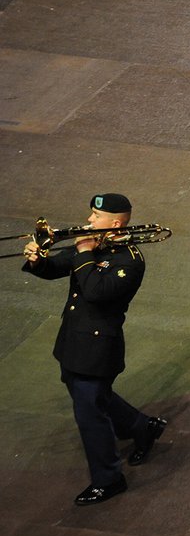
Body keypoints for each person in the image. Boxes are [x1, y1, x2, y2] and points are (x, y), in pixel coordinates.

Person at [22, 194, 167, 505]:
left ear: (114, 223)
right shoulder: (92, 245)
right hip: (74, 338)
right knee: (88, 394)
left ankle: (109, 478)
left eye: (95, 216)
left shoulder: (130, 260)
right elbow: (57, 266)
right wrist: (38, 261)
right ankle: (143, 427)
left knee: (90, 414)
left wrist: (85, 252)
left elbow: (96, 291)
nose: (88, 221)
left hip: (98, 346)